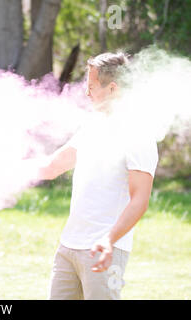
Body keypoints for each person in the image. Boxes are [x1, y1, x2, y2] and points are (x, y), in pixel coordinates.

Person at [38, 52, 158, 299]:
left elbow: (140, 200)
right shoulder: (92, 126)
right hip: (69, 247)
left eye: (91, 86)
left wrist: (110, 239)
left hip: (105, 250)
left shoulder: (139, 134)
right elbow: (52, 167)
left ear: (112, 88)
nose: (87, 93)